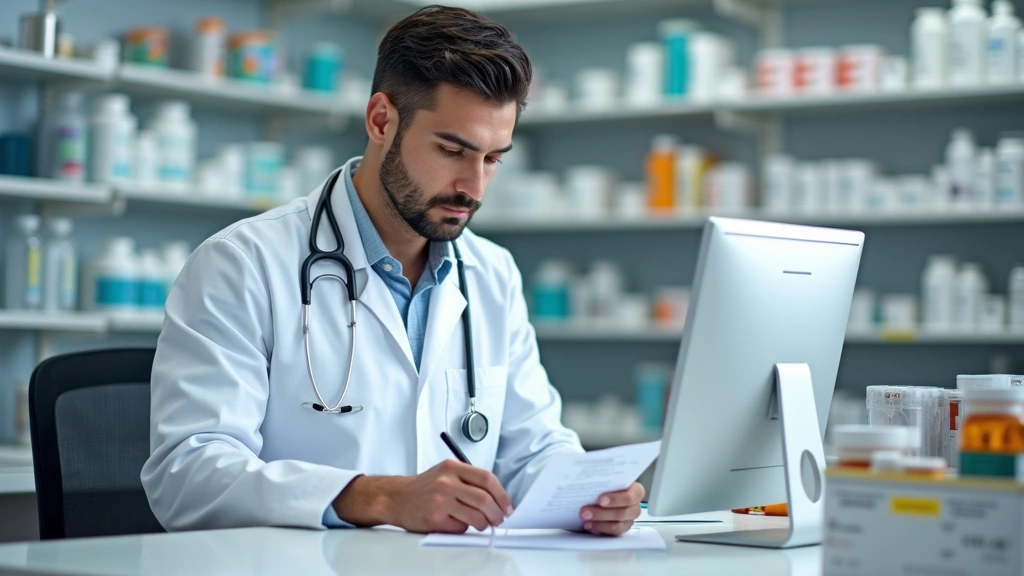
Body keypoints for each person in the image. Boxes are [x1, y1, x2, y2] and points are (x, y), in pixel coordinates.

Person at [141, 5, 644, 536]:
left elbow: (532, 448)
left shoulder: (492, 273)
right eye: (452, 149)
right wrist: (378, 497)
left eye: (494, 158)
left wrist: (588, 494)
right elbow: (188, 473)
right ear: (381, 120)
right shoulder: (243, 264)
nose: (473, 188)